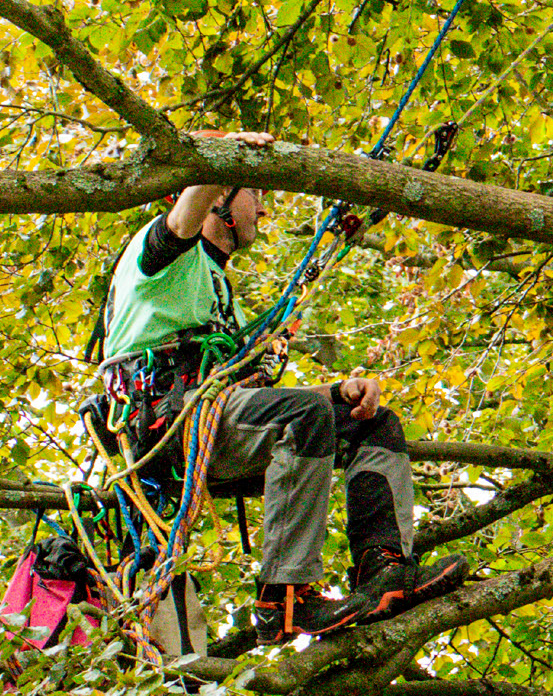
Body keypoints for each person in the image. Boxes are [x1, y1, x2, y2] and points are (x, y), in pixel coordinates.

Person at [98, 138, 469, 643]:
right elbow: (182, 221)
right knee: (303, 414)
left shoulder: (218, 288)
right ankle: (284, 598)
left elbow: (253, 403)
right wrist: (223, 154)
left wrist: (337, 391)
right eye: (254, 192)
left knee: (372, 424)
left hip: (219, 425)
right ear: (219, 198)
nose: (264, 207)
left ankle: (383, 569)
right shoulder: (159, 256)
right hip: (168, 426)